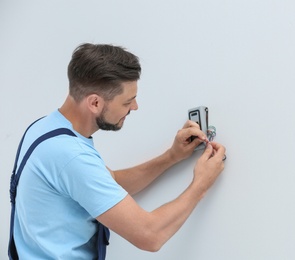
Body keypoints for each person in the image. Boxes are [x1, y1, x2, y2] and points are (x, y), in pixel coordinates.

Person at [10, 43, 226, 259]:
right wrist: (201, 183)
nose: (135, 107)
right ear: (95, 102)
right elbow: (150, 235)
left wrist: (171, 157)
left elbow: (106, 182)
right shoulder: (71, 156)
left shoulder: (44, 128)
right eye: (127, 102)